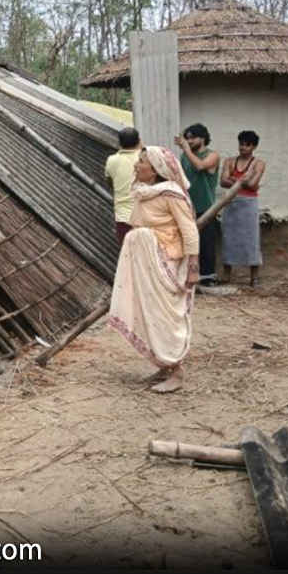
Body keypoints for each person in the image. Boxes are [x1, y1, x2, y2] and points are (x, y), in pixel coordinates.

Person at [108, 146, 200, 394]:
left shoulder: (171, 193)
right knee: (150, 315)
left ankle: (177, 371)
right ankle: (164, 365)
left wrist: (192, 267)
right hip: (146, 263)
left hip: (165, 262)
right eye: (137, 160)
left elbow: (189, 230)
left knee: (166, 318)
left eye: (141, 162)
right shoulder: (142, 192)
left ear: (156, 169)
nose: (136, 165)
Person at [175, 124, 220, 286]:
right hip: (187, 206)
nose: (190, 141)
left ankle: (209, 277)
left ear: (203, 138)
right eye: (187, 138)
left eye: (193, 138)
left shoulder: (212, 155)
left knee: (207, 242)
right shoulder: (185, 156)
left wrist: (186, 149)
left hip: (206, 206)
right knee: (188, 243)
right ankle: (190, 275)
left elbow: (200, 166)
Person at [219, 130, 265, 287]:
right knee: (228, 238)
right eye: (241, 144)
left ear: (254, 146)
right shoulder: (230, 161)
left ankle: (254, 276)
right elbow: (222, 181)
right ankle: (226, 275)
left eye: (247, 145)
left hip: (249, 204)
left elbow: (252, 184)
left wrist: (233, 179)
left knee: (251, 239)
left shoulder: (258, 163)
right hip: (231, 202)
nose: (243, 147)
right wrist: (241, 181)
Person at [103, 127, 143, 247]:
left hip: (123, 216)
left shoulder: (112, 160)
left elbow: (110, 183)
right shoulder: (145, 159)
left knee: (128, 255)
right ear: (139, 140)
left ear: (119, 143)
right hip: (145, 214)